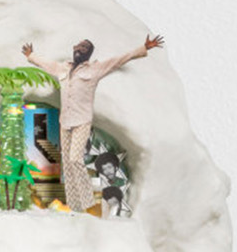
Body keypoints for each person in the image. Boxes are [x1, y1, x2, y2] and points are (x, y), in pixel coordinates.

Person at [21, 34, 163, 212]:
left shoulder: (95, 69)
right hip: (65, 121)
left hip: (81, 121)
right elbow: (47, 64)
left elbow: (119, 60)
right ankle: (75, 206)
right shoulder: (63, 68)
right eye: (78, 46)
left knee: (75, 159)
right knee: (67, 163)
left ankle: (87, 202)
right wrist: (31, 56)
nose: (79, 49)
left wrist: (144, 48)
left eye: (84, 48)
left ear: (88, 53)